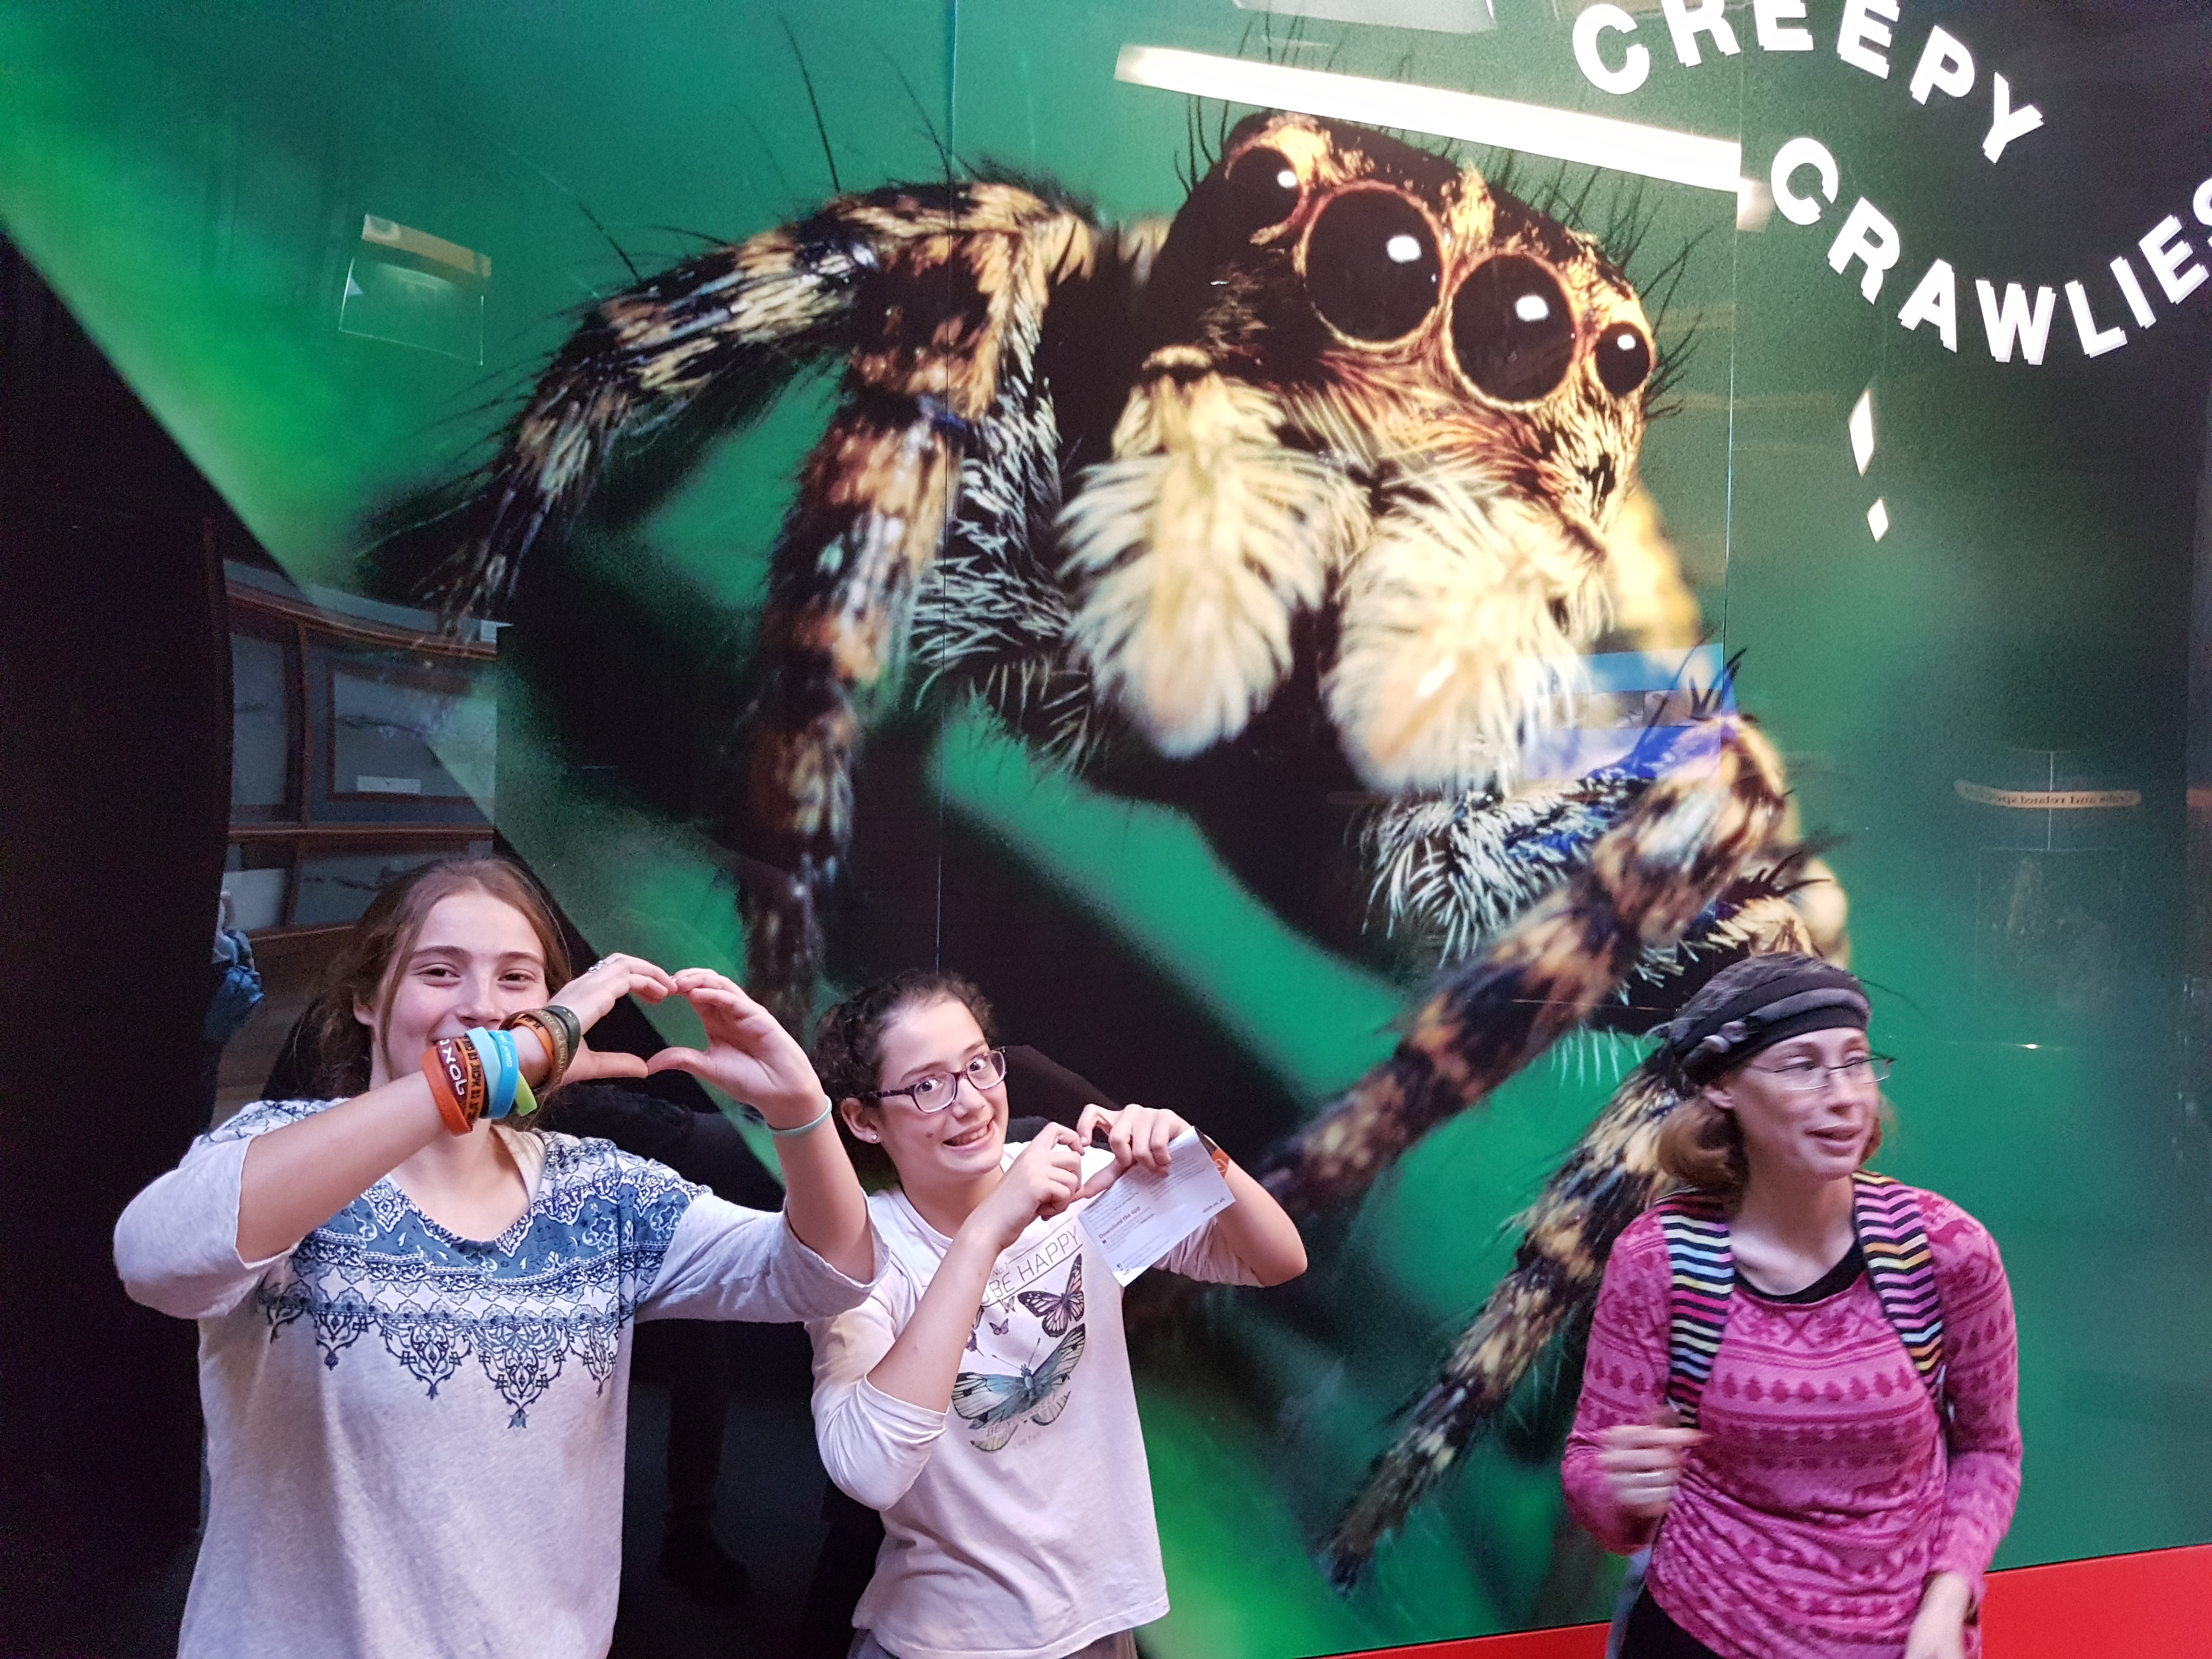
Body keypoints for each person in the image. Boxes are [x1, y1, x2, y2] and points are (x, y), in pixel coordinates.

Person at [113, 855, 878, 1659]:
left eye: (517, 978)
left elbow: (824, 1273)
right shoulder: (278, 1149)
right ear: (367, 1000)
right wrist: (490, 1069)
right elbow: (155, 1259)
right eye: (439, 971)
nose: (482, 1005)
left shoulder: (598, 1192)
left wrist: (801, 1112)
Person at [805, 970, 1309, 1659]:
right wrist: (989, 1229)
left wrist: (1200, 1153)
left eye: (978, 1065)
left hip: (1099, 1625)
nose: (969, 1102)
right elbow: (868, 1471)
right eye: (927, 1086)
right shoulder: (859, 1255)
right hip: (946, 1643)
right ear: (865, 1119)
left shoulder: (1078, 1182)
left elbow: (1276, 1260)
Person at [1561, 953, 2022, 1659]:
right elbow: (1593, 1469)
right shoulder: (1659, 1259)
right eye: (1802, 1066)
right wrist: (1621, 1487)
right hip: (1700, 1632)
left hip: (1899, 1642)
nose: (1845, 1096)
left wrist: (1948, 1599)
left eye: (1856, 1062)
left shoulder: (1946, 1250)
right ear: (1723, 1086)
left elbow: (1990, 1451)